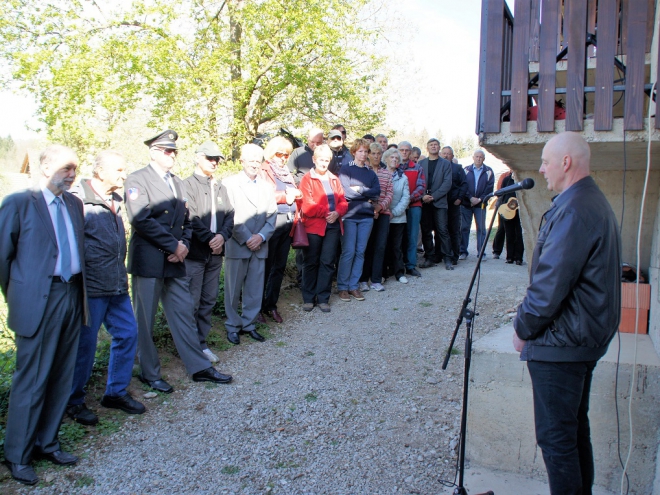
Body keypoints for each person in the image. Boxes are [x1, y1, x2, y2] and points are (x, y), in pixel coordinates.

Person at [513, 132, 621, 494]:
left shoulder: (575, 208)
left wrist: (522, 327)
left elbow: (549, 286)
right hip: (578, 338)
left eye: (545, 161)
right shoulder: (585, 200)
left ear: (565, 162)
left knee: (558, 441)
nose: (541, 169)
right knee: (574, 433)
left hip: (562, 343)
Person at [0, 145, 87, 485]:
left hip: (71, 293)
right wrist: (21, 294)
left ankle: (47, 442)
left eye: (75, 169)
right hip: (39, 299)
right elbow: (2, 259)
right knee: (32, 379)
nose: (71, 174)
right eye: (66, 167)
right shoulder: (20, 203)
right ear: (45, 166)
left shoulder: (74, 204)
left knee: (61, 375)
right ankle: (17, 455)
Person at [126, 130, 232, 394]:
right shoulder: (137, 179)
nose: (171, 155)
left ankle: (198, 367)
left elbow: (186, 219)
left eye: (174, 151)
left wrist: (183, 244)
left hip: (176, 259)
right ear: (153, 152)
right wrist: (172, 245)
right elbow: (140, 219)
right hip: (149, 260)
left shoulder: (176, 182)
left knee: (184, 313)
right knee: (145, 320)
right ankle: (149, 373)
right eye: (166, 150)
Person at [67, 151, 145, 428]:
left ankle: (115, 392)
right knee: (85, 346)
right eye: (119, 170)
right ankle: (74, 401)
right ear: (100, 172)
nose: (124, 175)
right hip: (91, 288)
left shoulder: (115, 200)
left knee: (128, 333)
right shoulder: (78, 199)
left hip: (116, 283)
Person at [183, 141, 234, 364]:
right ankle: (189, 347)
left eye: (217, 159)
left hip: (215, 253)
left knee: (208, 300)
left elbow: (230, 216)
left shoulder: (220, 187)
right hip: (195, 253)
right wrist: (211, 239)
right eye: (210, 158)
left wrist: (222, 236)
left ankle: (201, 344)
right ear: (198, 157)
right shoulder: (186, 185)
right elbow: (190, 218)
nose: (214, 163)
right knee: (191, 302)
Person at [223, 144, 277, 344]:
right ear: (242, 161)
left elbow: (272, 216)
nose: (254, 164)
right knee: (233, 289)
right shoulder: (229, 184)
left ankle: (249, 324)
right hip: (238, 244)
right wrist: (247, 237)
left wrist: (261, 236)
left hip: (260, 245)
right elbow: (230, 216)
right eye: (251, 160)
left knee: (254, 289)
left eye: (258, 160)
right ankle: (232, 325)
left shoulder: (267, 186)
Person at [299, 144, 348, 312]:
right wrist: (328, 212)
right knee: (311, 262)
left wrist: (337, 213)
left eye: (327, 160)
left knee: (327, 262)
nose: (324, 163)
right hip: (313, 227)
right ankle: (308, 298)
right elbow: (307, 205)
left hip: (333, 227)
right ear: (314, 159)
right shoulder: (307, 179)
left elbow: (343, 201)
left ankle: (323, 298)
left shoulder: (334, 178)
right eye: (321, 159)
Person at [260, 136, 302, 323]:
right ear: (271, 152)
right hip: (272, 222)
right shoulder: (264, 169)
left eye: (286, 155)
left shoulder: (285, 171)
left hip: (288, 222)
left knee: (279, 267)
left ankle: (271, 305)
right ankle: (258, 307)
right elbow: (264, 195)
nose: (283, 158)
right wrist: (286, 196)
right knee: (266, 267)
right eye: (279, 154)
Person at [337, 138, 380, 302]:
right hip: (349, 216)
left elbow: (377, 192)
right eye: (360, 151)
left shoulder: (370, 173)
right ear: (354, 152)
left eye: (365, 151)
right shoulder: (346, 170)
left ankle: (354, 286)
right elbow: (346, 193)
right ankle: (342, 287)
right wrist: (366, 195)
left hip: (366, 217)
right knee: (348, 251)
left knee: (360, 251)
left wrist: (360, 189)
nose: (363, 154)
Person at [359, 142, 394, 292]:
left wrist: (380, 207)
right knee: (366, 246)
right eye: (373, 153)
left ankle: (376, 279)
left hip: (383, 213)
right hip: (367, 213)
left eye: (378, 154)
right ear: (368, 154)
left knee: (380, 246)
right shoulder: (364, 172)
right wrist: (372, 208)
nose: (376, 156)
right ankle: (362, 280)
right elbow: (362, 192)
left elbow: (390, 193)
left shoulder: (386, 173)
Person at [418, 138, 454, 271]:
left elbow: (447, 183)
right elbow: (418, 182)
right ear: (427, 148)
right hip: (424, 202)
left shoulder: (445, 164)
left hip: (439, 202)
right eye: (431, 145)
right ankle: (429, 257)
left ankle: (447, 258)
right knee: (426, 231)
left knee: (442, 230)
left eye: (436, 145)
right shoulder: (421, 164)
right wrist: (423, 196)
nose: (433, 147)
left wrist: (434, 196)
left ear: (439, 147)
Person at [398, 141, 426, 277]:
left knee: (412, 236)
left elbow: (421, 187)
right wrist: (401, 202)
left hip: (413, 206)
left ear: (410, 152)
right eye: (401, 150)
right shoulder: (393, 166)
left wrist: (408, 199)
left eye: (407, 150)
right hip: (396, 206)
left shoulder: (417, 167)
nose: (404, 152)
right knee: (397, 237)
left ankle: (410, 265)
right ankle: (397, 265)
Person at [459, 150, 494, 259]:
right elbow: (463, 186)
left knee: (481, 229)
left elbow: (489, 188)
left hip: (481, 205)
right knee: (464, 227)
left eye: (481, 157)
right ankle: (463, 251)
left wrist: (479, 199)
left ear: (484, 159)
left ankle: (481, 253)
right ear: (473, 158)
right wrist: (470, 198)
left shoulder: (488, 171)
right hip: (466, 204)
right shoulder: (466, 170)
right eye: (477, 156)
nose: (478, 158)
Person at [383, 148, 410, 284]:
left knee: (397, 246)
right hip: (382, 215)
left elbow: (406, 198)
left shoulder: (403, 177)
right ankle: (383, 273)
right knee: (382, 245)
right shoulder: (380, 174)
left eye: (396, 158)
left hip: (398, 217)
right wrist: (384, 211)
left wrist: (394, 212)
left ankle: (399, 272)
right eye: (392, 157)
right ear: (386, 159)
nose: (394, 160)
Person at [441, 146, 467, 265]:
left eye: (449, 154)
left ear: (452, 156)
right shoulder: (438, 167)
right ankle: (442, 254)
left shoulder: (458, 168)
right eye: (444, 153)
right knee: (441, 230)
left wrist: (459, 198)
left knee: (454, 230)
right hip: (441, 203)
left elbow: (464, 184)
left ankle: (454, 256)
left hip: (454, 204)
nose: (446, 155)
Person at [493, 170, 524, 264]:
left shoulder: (522, 180)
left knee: (519, 234)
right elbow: (501, 194)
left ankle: (518, 258)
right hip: (508, 209)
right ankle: (509, 257)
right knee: (509, 233)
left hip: (519, 210)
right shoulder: (506, 179)